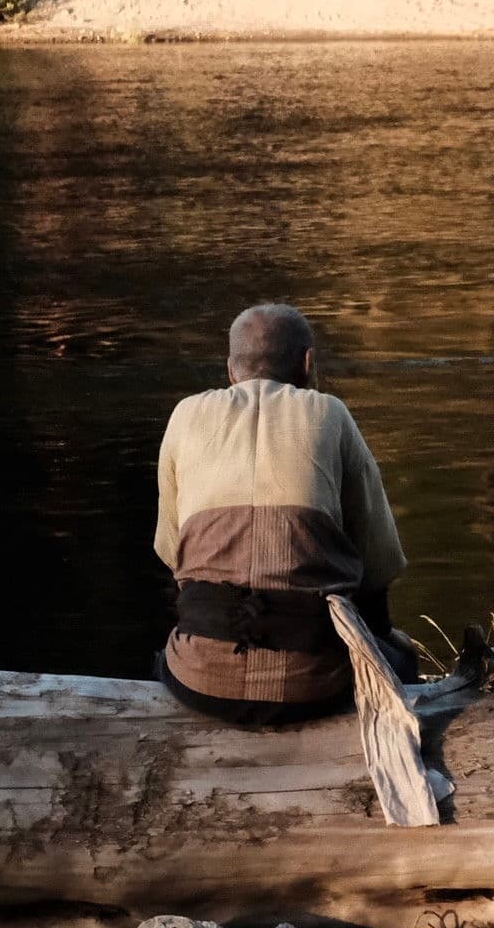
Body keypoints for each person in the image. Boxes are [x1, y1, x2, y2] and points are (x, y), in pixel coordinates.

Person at [152, 303, 411, 726]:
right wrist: (380, 643)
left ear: (231, 370)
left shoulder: (185, 415)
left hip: (198, 681)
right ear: (307, 364)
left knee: (167, 657)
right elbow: (378, 564)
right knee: (403, 658)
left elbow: (171, 553)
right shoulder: (331, 414)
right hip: (316, 684)